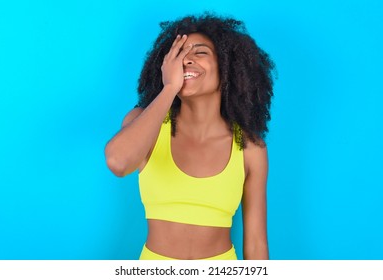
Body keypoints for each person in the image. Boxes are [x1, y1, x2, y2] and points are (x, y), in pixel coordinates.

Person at [105, 13, 275, 260]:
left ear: (227, 67)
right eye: (179, 54)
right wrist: (170, 88)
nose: (187, 60)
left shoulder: (250, 147)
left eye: (200, 52)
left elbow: (256, 244)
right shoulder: (144, 124)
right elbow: (118, 163)